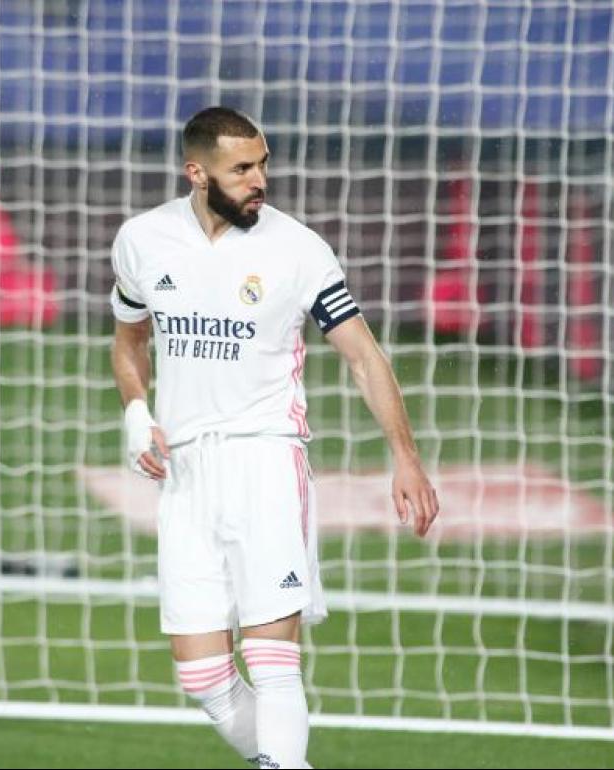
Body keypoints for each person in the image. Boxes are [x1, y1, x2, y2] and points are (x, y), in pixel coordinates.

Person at [109, 106, 438, 769]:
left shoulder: (298, 248)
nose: (260, 178)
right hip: (186, 476)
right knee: (203, 680)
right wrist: (137, 412)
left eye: (262, 163)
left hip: (266, 460)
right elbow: (128, 342)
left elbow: (364, 357)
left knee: (272, 659)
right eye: (243, 168)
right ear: (197, 173)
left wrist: (405, 457)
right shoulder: (142, 241)